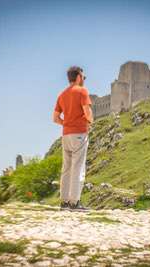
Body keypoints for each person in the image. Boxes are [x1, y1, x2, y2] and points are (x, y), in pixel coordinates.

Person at [53, 66, 93, 211]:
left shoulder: (61, 95)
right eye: (83, 77)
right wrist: (90, 121)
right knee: (78, 168)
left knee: (66, 168)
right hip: (79, 134)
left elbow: (55, 118)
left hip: (66, 135)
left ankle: (64, 203)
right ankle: (74, 203)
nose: (84, 80)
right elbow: (87, 111)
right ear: (78, 77)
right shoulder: (82, 91)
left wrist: (67, 123)